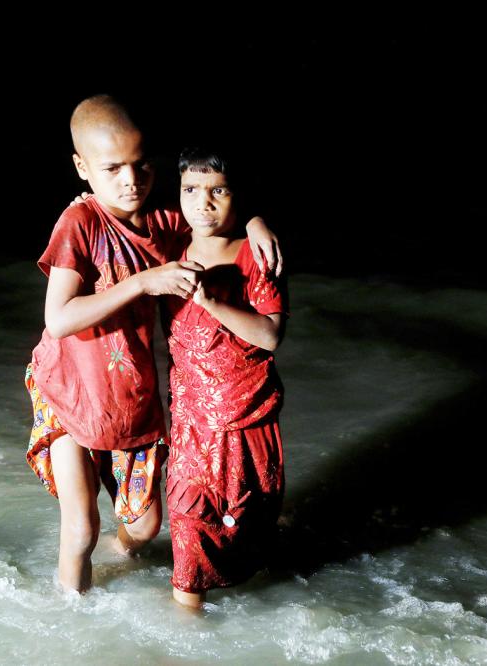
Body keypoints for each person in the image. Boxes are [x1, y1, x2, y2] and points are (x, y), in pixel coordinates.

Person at [25, 95, 281, 593]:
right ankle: (69, 628)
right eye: (112, 168)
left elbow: (218, 212)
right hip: (70, 393)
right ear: (82, 168)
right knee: (81, 530)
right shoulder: (80, 224)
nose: (130, 180)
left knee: (143, 527)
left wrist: (256, 223)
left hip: (129, 402)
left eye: (141, 165)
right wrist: (144, 283)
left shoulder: (164, 221)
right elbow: (57, 319)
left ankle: (122, 566)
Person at [164, 147, 287, 609]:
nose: (203, 203)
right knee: (188, 522)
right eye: (191, 191)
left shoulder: (256, 254)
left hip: (247, 414)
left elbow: (272, 336)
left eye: (219, 191)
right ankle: (182, 635)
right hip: (192, 422)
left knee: (246, 522)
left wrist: (211, 301)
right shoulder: (170, 244)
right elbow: (117, 219)